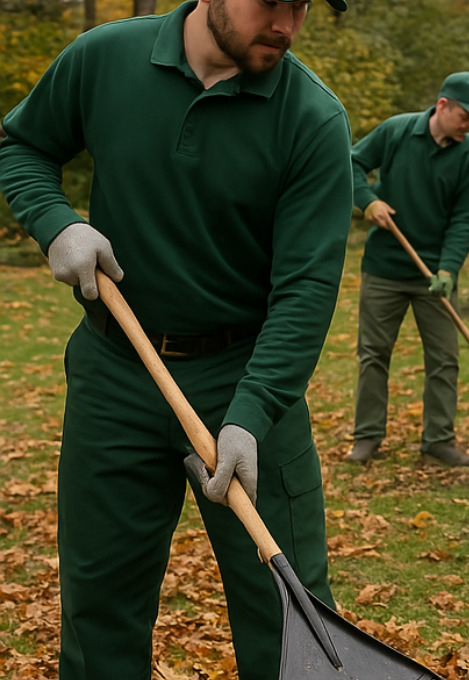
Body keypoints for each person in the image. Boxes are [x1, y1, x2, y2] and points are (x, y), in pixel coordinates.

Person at [0, 0, 354, 677]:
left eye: (302, 5)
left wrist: (252, 414)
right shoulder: (104, 58)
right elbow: (23, 145)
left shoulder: (311, 118)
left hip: (243, 378)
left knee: (286, 609)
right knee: (99, 607)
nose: (287, 23)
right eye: (271, 2)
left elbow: (305, 292)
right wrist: (54, 221)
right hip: (115, 373)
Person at [346, 71, 469, 467]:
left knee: (444, 358)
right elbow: (351, 163)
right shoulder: (396, 131)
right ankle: (367, 437)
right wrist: (368, 201)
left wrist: (448, 270)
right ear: (442, 105)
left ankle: (438, 440)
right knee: (374, 355)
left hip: (435, 277)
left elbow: (465, 220)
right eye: (465, 115)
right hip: (384, 269)